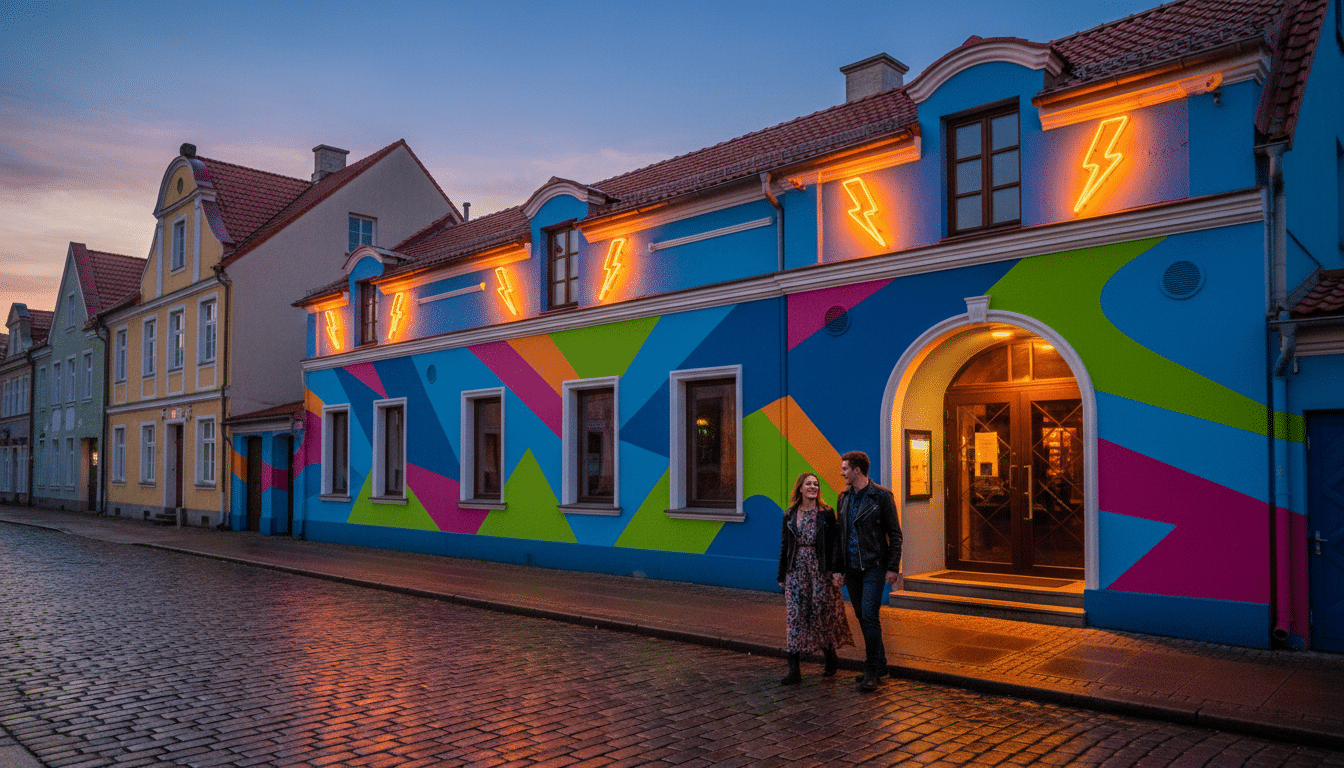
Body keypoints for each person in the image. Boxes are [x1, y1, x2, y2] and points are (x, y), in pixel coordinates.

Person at [834, 450, 902, 692]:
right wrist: (838, 569)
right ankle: (880, 664)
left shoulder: (881, 497)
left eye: (845, 469)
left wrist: (893, 567)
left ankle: (871, 670)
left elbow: (894, 533)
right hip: (852, 568)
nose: (842, 473)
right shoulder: (843, 498)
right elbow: (839, 535)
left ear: (857, 470)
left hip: (874, 564)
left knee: (870, 615)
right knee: (863, 616)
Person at [777, 471, 853, 685]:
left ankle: (830, 656)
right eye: (808, 484)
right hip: (795, 570)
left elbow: (835, 544)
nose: (813, 487)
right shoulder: (790, 514)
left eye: (816, 484)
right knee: (795, 617)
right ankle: (794, 668)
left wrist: (837, 570)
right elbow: (785, 545)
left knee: (822, 614)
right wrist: (781, 574)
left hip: (820, 570)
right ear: (800, 488)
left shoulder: (826, 513)